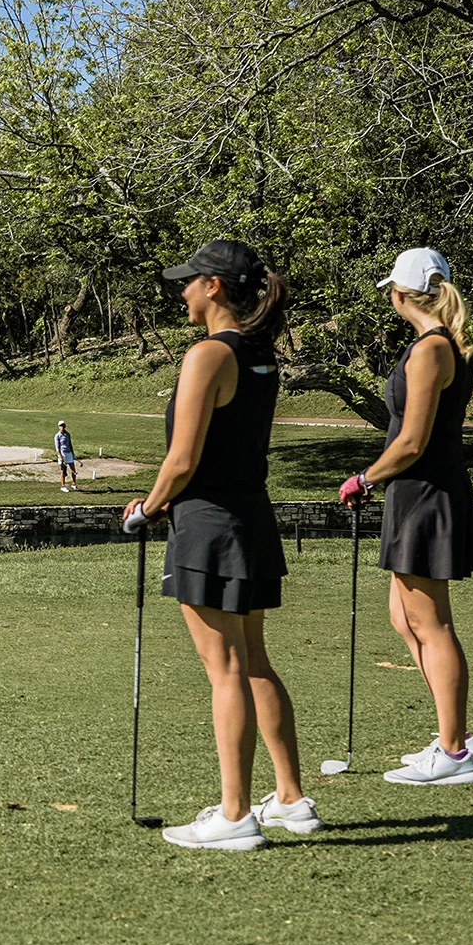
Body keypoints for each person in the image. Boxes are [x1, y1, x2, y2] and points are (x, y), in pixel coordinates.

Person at [125, 239, 320, 850]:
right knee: (253, 661)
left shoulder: (208, 355)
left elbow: (183, 459)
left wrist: (147, 510)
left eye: (188, 282)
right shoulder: (259, 355)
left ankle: (236, 816)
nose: (181, 291)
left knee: (226, 669)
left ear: (213, 287)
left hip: (208, 526)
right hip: (249, 520)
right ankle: (289, 798)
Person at [339, 248, 473, 784]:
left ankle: (454, 752)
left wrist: (364, 478)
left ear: (399, 295)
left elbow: (411, 441)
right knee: (405, 618)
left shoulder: (431, 350)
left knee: (431, 622)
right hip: (416, 494)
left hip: (425, 494)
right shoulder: (441, 344)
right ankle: (456, 736)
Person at [55, 420, 79, 491]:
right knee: (63, 471)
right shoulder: (57, 436)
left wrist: (73, 453)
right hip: (62, 454)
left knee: (73, 470)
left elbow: (70, 444)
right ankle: (63, 486)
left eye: (63, 425)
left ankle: (74, 484)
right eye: (61, 426)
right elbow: (57, 448)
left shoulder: (68, 434)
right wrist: (61, 457)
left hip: (69, 453)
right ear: (59, 427)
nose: (62, 427)